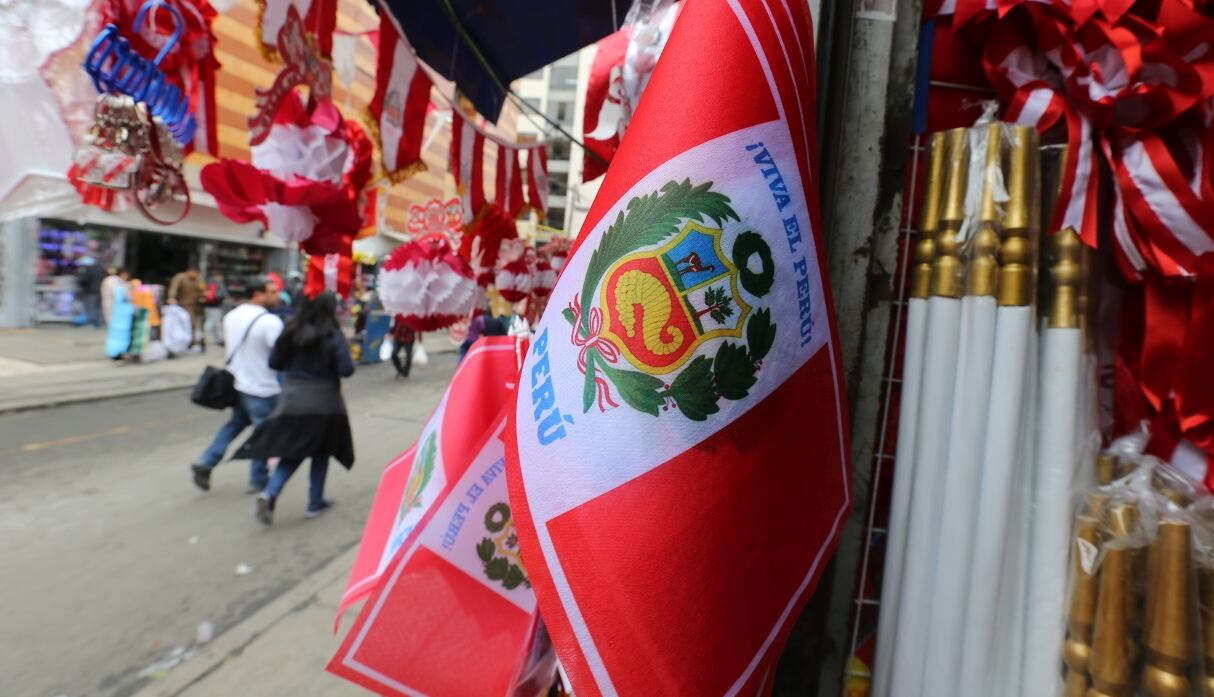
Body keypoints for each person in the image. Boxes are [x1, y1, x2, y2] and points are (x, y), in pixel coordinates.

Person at [235, 291, 354, 525]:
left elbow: (274, 363)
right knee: (321, 452)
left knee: (294, 451)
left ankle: (269, 493)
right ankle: (314, 502)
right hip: (325, 403)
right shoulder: (332, 334)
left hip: (291, 400)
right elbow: (346, 369)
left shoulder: (290, 331)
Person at [190, 277, 283, 493]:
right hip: (262, 387)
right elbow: (281, 356)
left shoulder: (232, 316)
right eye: (272, 292)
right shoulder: (269, 322)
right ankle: (258, 478)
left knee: (234, 425)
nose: (276, 296)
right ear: (258, 294)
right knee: (264, 434)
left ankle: (206, 461)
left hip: (238, 384)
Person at [168, 266, 205, 350]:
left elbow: (202, 290)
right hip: (184, 305)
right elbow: (174, 288)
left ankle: (191, 341)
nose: (196, 275)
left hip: (196, 305)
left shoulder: (198, 279)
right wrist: (171, 297)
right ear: (190, 271)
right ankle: (187, 341)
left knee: (194, 324)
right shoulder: (180, 277)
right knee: (189, 323)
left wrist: (203, 293)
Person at [76, 258, 106, 328]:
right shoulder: (100, 269)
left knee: (91, 307)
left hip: (91, 291)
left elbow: (83, 280)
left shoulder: (87, 269)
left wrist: (81, 285)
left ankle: (90, 323)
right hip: (100, 290)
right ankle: (98, 323)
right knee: (98, 308)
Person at [388, 315, 416, 379]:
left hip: (409, 338)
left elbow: (417, 326)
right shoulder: (397, 314)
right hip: (398, 337)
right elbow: (393, 325)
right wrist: (389, 333)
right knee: (393, 354)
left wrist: (420, 339)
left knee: (408, 356)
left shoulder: (412, 315)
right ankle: (400, 370)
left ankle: (405, 372)